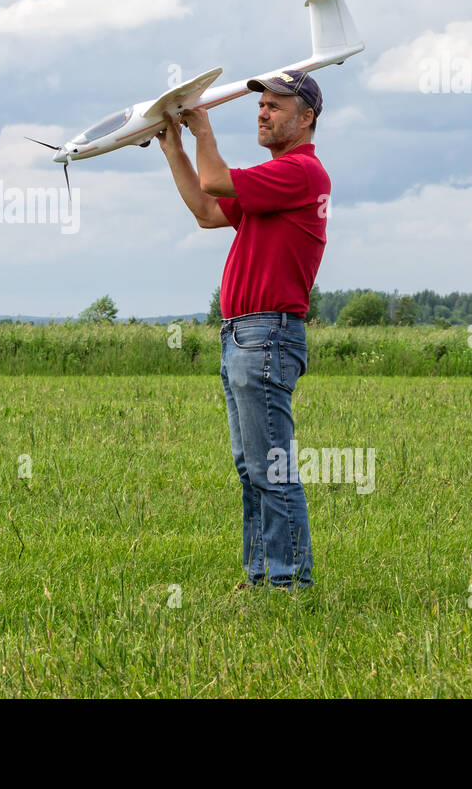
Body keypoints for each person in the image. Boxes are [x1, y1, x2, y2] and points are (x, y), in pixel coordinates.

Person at [157, 70, 330, 588]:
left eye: (276, 106)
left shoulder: (301, 173)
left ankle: (289, 582)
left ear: (306, 119)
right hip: (243, 338)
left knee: (270, 468)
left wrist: (202, 129)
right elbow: (209, 211)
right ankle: (262, 575)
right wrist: (173, 148)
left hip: (265, 337)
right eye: (262, 104)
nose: (263, 111)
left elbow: (216, 182)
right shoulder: (274, 178)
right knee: (252, 467)